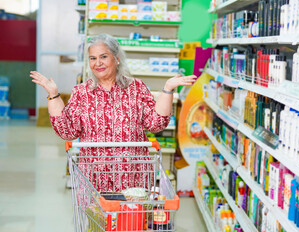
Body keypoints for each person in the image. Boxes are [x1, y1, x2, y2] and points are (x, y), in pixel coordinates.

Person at [30, 33, 196, 192]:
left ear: (116, 59)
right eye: (93, 58)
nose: (98, 63)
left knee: (131, 221)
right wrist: (53, 95)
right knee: (97, 221)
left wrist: (167, 90)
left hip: (133, 177)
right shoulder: (81, 92)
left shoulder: (136, 88)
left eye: (103, 56)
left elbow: (156, 123)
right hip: (94, 178)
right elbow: (67, 131)